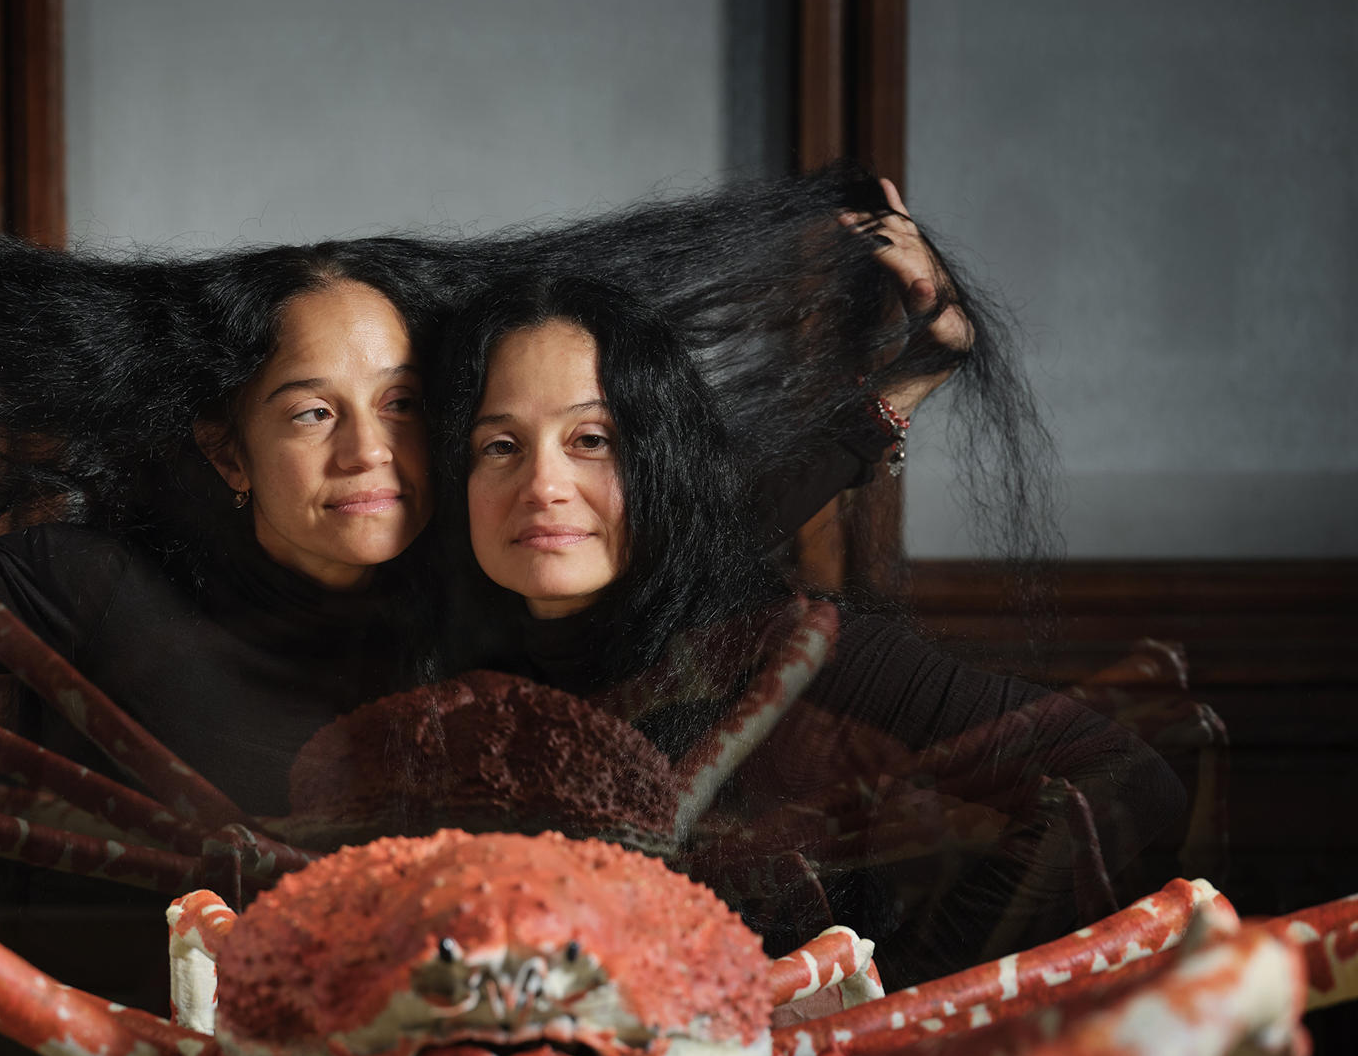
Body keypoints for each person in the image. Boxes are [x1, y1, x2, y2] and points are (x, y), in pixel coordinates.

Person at [0, 78, 1029, 817]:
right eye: (311, 411)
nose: (367, 449)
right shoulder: (98, 585)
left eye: (403, 406)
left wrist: (899, 384)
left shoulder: (493, 557)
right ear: (226, 444)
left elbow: (690, 516)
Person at [432, 273, 1186, 978]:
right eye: (499, 446)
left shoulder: (791, 654)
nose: (543, 487)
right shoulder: (464, 681)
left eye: (592, 440)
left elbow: (1127, 780)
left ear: (660, 459)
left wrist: (903, 999)